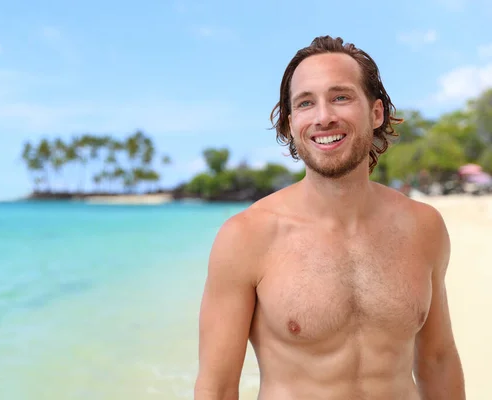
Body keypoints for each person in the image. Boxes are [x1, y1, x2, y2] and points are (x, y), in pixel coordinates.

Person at [194, 36, 465, 400]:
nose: (324, 117)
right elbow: (218, 387)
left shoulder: (423, 227)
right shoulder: (247, 236)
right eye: (306, 103)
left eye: (341, 97)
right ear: (291, 125)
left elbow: (437, 360)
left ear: (376, 112)